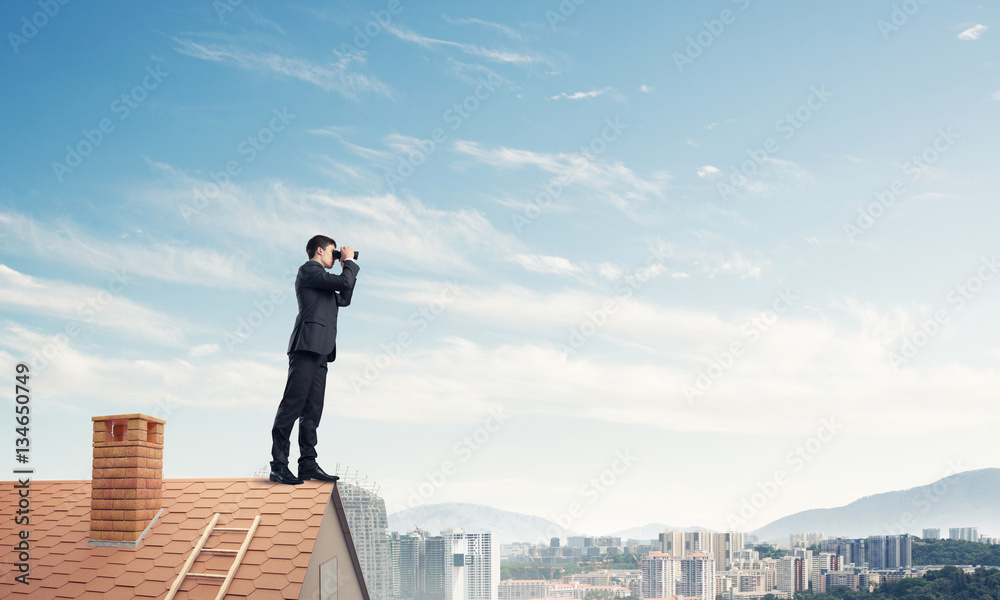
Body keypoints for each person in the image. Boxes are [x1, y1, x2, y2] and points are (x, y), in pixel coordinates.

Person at [269, 235, 359, 485]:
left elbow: (345, 297)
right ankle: (278, 466)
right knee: (292, 405)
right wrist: (349, 262)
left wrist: (347, 267)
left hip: (322, 350)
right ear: (320, 250)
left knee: (313, 410)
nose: (336, 256)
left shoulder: (324, 283)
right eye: (334, 252)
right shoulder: (309, 270)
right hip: (306, 346)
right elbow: (343, 281)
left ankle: (307, 463)